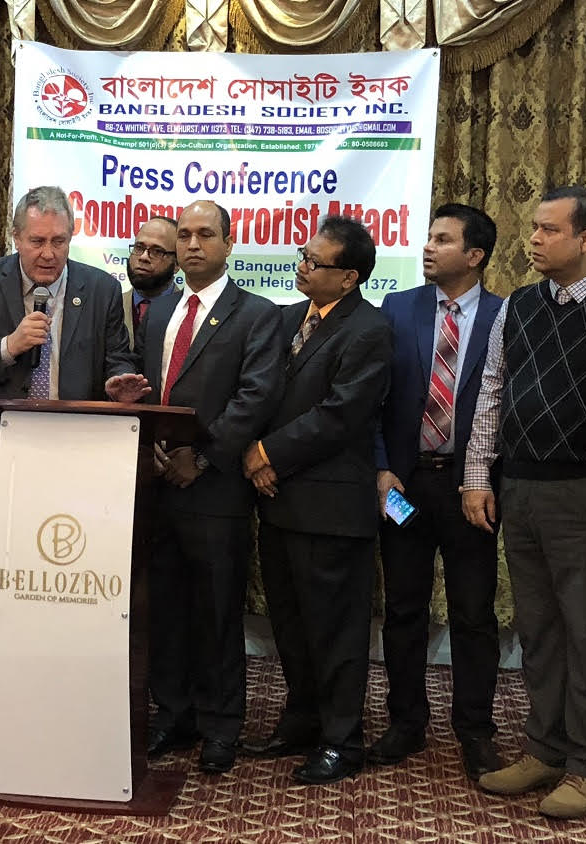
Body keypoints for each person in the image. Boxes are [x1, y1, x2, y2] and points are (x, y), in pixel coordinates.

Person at [463, 186, 586, 819]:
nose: (534, 240)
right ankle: (544, 749)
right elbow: (492, 391)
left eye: (548, 230)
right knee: (538, 628)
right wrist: (477, 475)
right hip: (518, 487)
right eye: (534, 228)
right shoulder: (518, 305)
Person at [0, 185, 143, 752]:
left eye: (59, 241)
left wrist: (117, 382)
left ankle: (66, 701)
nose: (48, 253)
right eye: (36, 241)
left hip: (75, 471)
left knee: (65, 588)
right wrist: (7, 346)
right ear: (15, 238)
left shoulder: (100, 289)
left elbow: (118, 358)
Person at [243, 215, 390, 784]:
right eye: (302, 257)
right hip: (278, 499)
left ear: (349, 277)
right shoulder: (285, 320)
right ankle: (302, 720)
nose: (301, 267)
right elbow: (259, 395)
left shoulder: (368, 330)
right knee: (291, 625)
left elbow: (340, 415)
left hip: (331, 509)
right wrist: (256, 457)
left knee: (336, 632)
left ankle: (342, 740)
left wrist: (268, 454)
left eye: (314, 261)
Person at [138, 200, 284, 775]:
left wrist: (200, 456)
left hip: (215, 489)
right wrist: (150, 443)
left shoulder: (256, 314)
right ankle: (173, 714)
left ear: (229, 243)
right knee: (166, 609)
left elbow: (256, 397)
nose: (193, 244)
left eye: (205, 234)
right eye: (184, 235)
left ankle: (222, 725)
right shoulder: (159, 310)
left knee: (217, 612)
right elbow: (151, 389)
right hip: (156, 485)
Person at [372, 204, 505, 780]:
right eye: (428, 237)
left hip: (469, 487)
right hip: (404, 484)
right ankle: (405, 721)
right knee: (404, 607)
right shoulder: (398, 307)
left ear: (474, 255)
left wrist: (488, 479)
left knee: (473, 612)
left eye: (443, 239)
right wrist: (381, 469)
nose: (427, 247)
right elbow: (374, 398)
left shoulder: (504, 315)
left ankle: (475, 728)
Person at [122, 216, 180, 348]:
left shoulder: (189, 313)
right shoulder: (110, 307)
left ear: (177, 263)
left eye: (157, 251)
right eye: (139, 247)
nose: (143, 257)